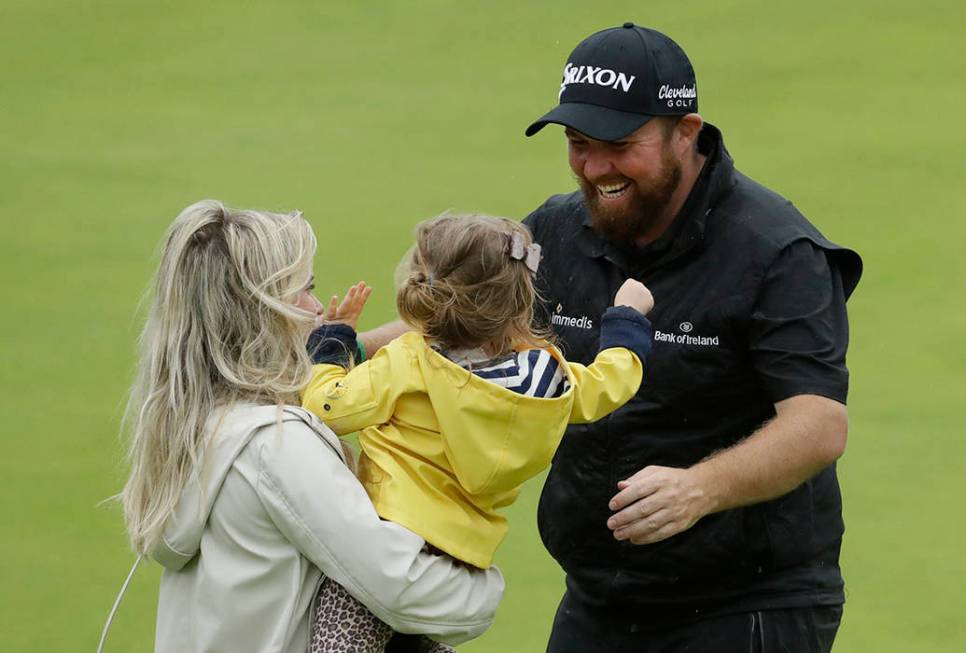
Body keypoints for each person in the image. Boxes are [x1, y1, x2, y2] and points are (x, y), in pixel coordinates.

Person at [522, 24, 863, 652]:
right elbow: (459, 322)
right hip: (601, 596)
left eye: (620, 145)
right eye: (577, 143)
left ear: (687, 130)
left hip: (748, 601)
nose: (595, 169)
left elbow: (818, 424)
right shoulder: (557, 231)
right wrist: (334, 345)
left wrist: (699, 488)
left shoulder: (776, 251)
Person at [119, 200, 504, 653]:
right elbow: (402, 590)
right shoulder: (277, 446)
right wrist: (484, 584)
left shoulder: (194, 425)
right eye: (304, 290)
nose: (319, 307)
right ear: (259, 311)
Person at [300, 213, 654, 652]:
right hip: (456, 558)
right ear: (522, 301)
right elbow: (609, 384)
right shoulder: (546, 378)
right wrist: (625, 319)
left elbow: (326, 407)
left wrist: (331, 345)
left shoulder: (408, 361)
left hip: (383, 543)